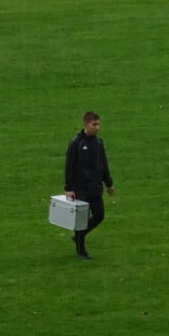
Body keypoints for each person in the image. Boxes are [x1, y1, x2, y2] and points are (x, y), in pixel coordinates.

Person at [63, 111, 115, 259]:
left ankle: (79, 235)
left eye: (98, 124)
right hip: (81, 188)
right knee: (82, 219)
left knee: (99, 215)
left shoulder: (99, 142)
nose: (97, 127)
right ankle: (81, 250)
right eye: (94, 124)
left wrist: (109, 184)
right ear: (86, 124)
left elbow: (103, 164)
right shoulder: (76, 143)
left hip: (95, 187)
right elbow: (69, 166)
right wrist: (69, 188)